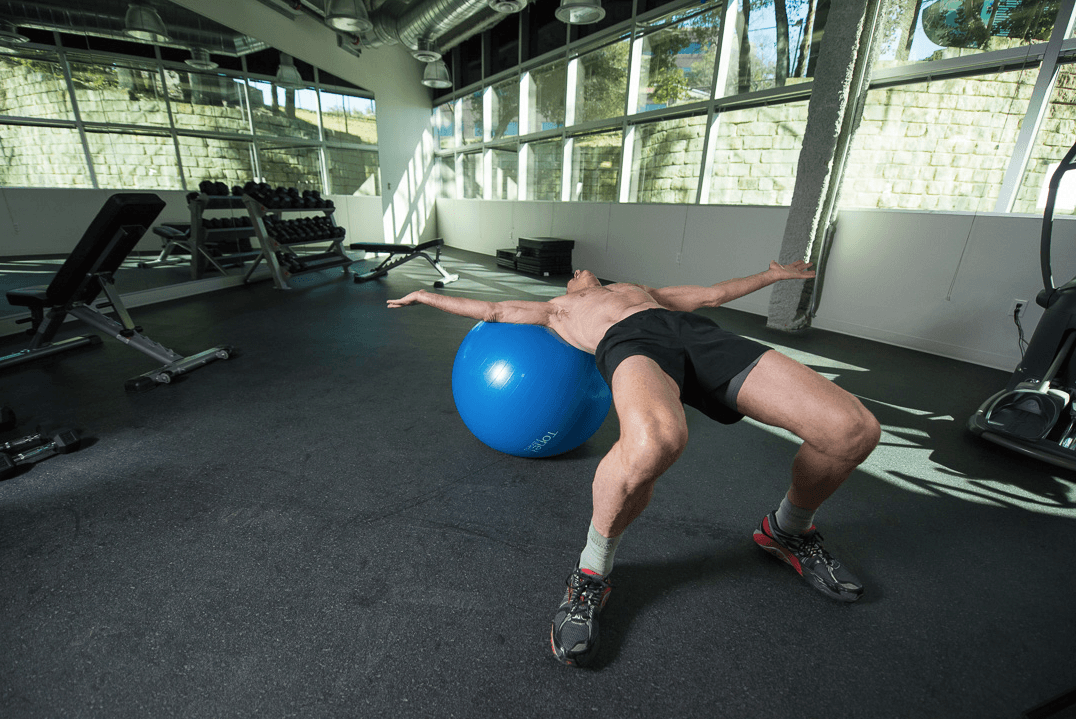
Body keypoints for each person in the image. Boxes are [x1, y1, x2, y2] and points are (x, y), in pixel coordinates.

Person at [388, 261, 881, 667]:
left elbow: (713, 294)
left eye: (585, 269)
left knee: (853, 429)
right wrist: (426, 297)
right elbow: (491, 309)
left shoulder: (643, 290)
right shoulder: (557, 310)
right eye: (572, 274)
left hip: (699, 336)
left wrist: (771, 276)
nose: (580, 271)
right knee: (655, 441)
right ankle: (591, 572)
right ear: (569, 288)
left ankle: (787, 530)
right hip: (633, 347)